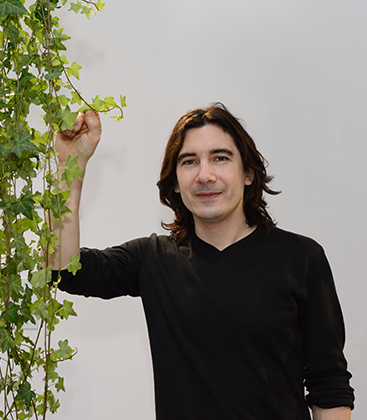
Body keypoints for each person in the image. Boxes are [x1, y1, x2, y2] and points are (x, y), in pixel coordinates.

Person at [49, 103, 355, 419]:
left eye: (220, 158)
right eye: (189, 161)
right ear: (176, 182)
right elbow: (64, 269)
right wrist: (70, 166)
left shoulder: (301, 259)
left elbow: (328, 385)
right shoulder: (153, 260)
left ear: (248, 173)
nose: (205, 175)